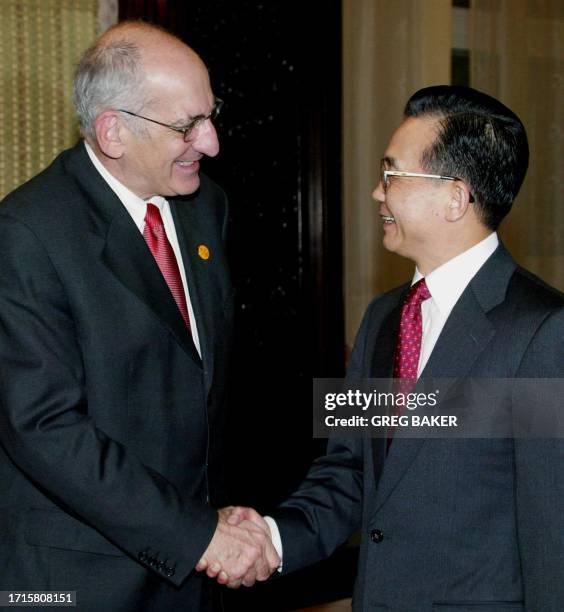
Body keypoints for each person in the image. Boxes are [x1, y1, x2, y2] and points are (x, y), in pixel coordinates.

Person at [224, 86, 564, 610]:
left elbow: (552, 535)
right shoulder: (384, 317)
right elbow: (350, 469)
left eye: (392, 174)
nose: (376, 193)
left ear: (455, 196)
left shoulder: (544, 331)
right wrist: (271, 535)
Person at [0, 21, 278, 611]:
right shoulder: (28, 234)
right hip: (81, 579)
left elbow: (200, 387)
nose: (212, 142)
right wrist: (197, 534)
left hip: (197, 573)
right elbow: (46, 428)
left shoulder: (208, 207)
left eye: (211, 113)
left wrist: (220, 520)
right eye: (187, 126)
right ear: (113, 132)